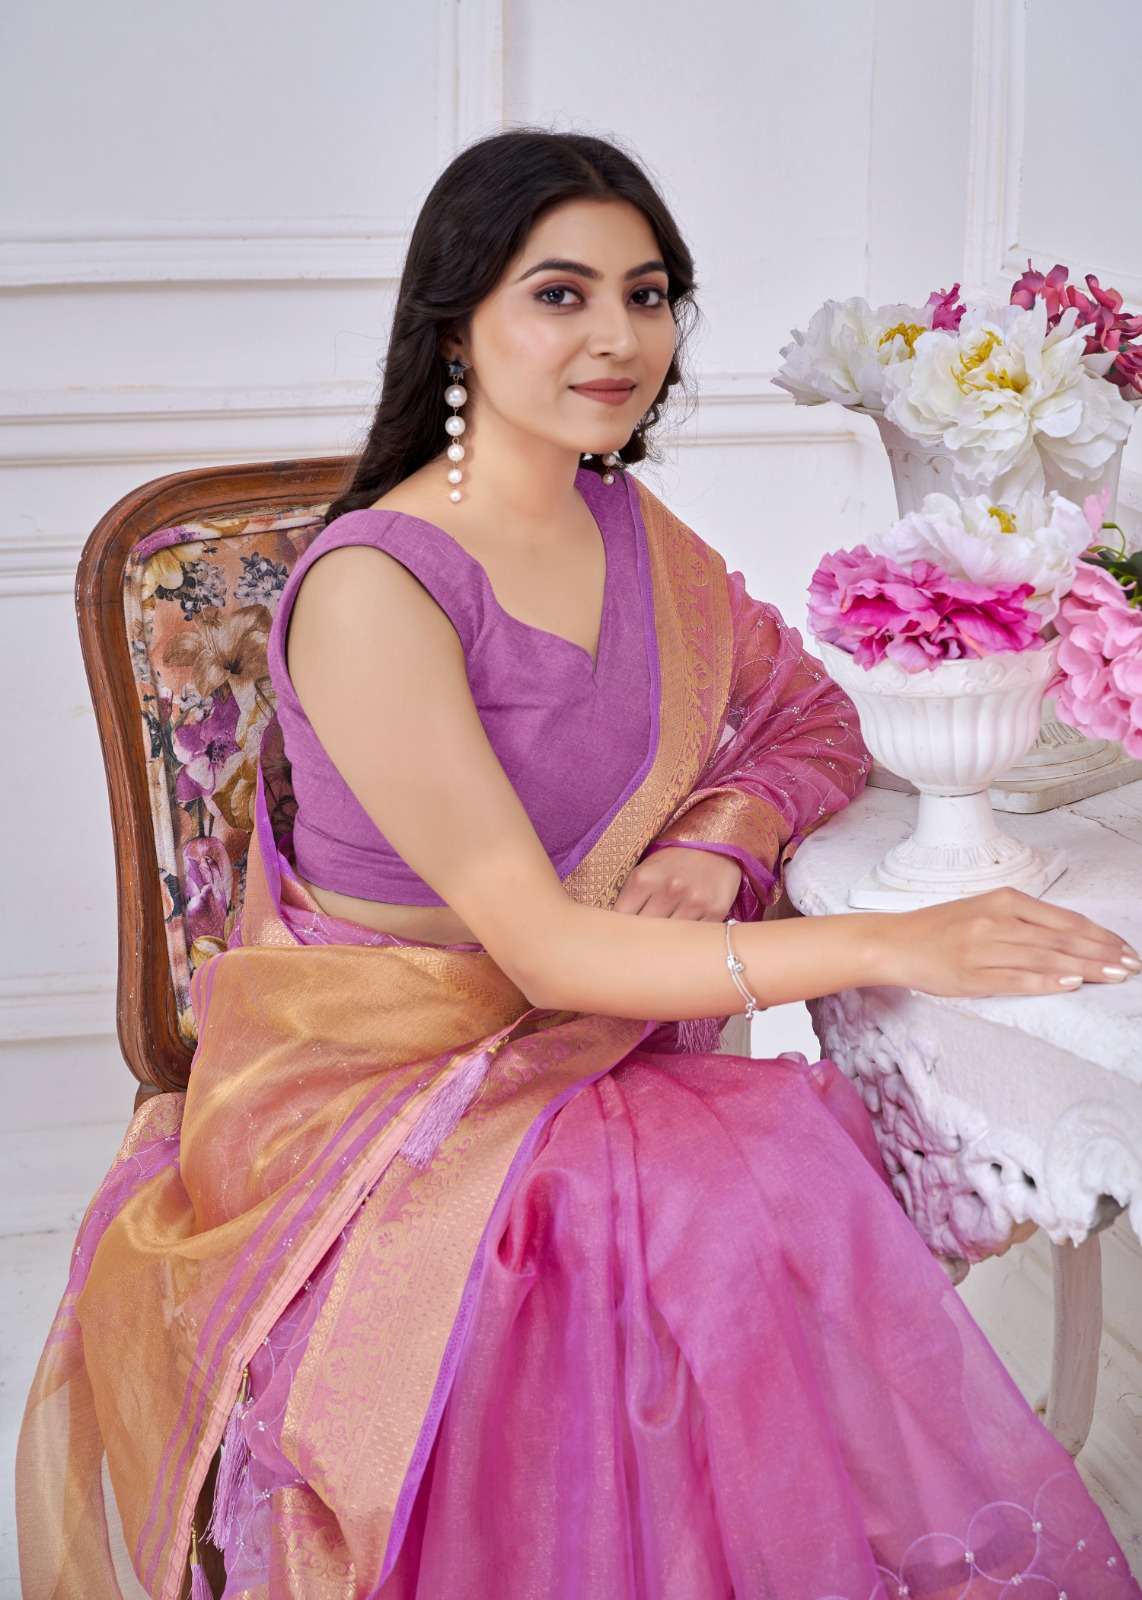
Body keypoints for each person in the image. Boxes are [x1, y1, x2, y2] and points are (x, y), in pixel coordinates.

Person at [16, 129, 1142, 1600]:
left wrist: (720, 832)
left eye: (646, 293)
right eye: (560, 294)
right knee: (710, 1203)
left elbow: (806, 716)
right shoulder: (376, 585)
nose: (618, 336)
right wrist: (902, 942)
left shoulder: (622, 524)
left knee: (742, 1191)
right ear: (455, 325)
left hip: (586, 1033)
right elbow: (543, 950)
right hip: (381, 1085)